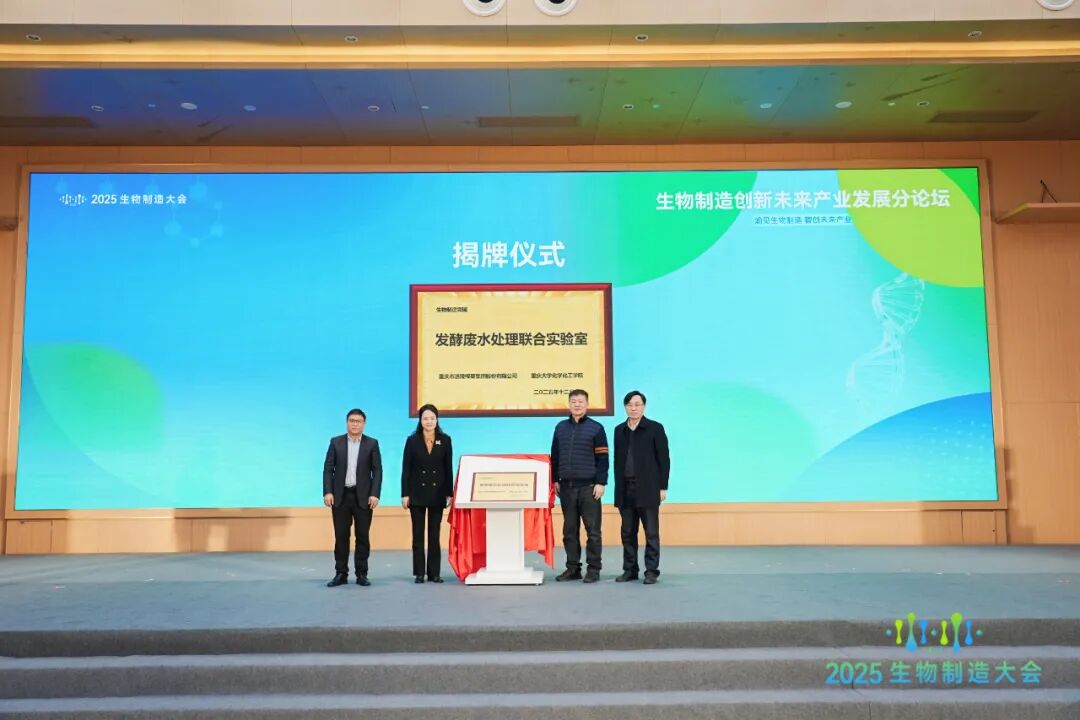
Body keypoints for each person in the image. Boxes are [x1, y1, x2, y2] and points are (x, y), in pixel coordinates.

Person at [550, 389, 609, 583]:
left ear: (587, 404)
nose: (577, 404)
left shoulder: (596, 428)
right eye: (573, 401)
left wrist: (601, 482)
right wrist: (555, 480)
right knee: (569, 531)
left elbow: (603, 458)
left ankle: (594, 569)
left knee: (593, 532)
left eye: (580, 401)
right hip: (566, 488)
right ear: (569, 404)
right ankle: (573, 568)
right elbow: (555, 456)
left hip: (589, 488)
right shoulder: (560, 428)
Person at [613, 390, 670, 585]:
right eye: (629, 404)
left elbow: (664, 459)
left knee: (651, 533)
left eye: (637, 404)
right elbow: (617, 461)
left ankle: (651, 571)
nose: (633, 408)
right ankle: (630, 570)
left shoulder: (655, 428)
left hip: (648, 488)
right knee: (627, 533)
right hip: (625, 489)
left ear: (644, 406)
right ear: (625, 407)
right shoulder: (619, 430)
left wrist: (662, 487)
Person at [323, 408, 382, 587]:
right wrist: (328, 491)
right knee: (341, 537)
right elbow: (328, 469)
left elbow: (377, 470)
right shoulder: (336, 442)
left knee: (362, 536)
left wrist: (374, 494)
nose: (355, 424)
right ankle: (340, 573)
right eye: (352, 421)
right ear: (347, 423)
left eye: (358, 421)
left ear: (364, 424)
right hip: (340, 497)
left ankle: (361, 574)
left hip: (363, 497)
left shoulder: (372, 443)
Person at [401, 404, 454, 583]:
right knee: (418, 535)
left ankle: (434, 573)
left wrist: (449, 493)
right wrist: (405, 494)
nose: (429, 421)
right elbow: (406, 469)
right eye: (425, 418)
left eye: (432, 418)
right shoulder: (412, 440)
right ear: (420, 420)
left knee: (434, 535)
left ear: (437, 420)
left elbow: (448, 468)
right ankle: (419, 573)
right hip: (416, 493)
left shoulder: (445, 440)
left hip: (437, 493)